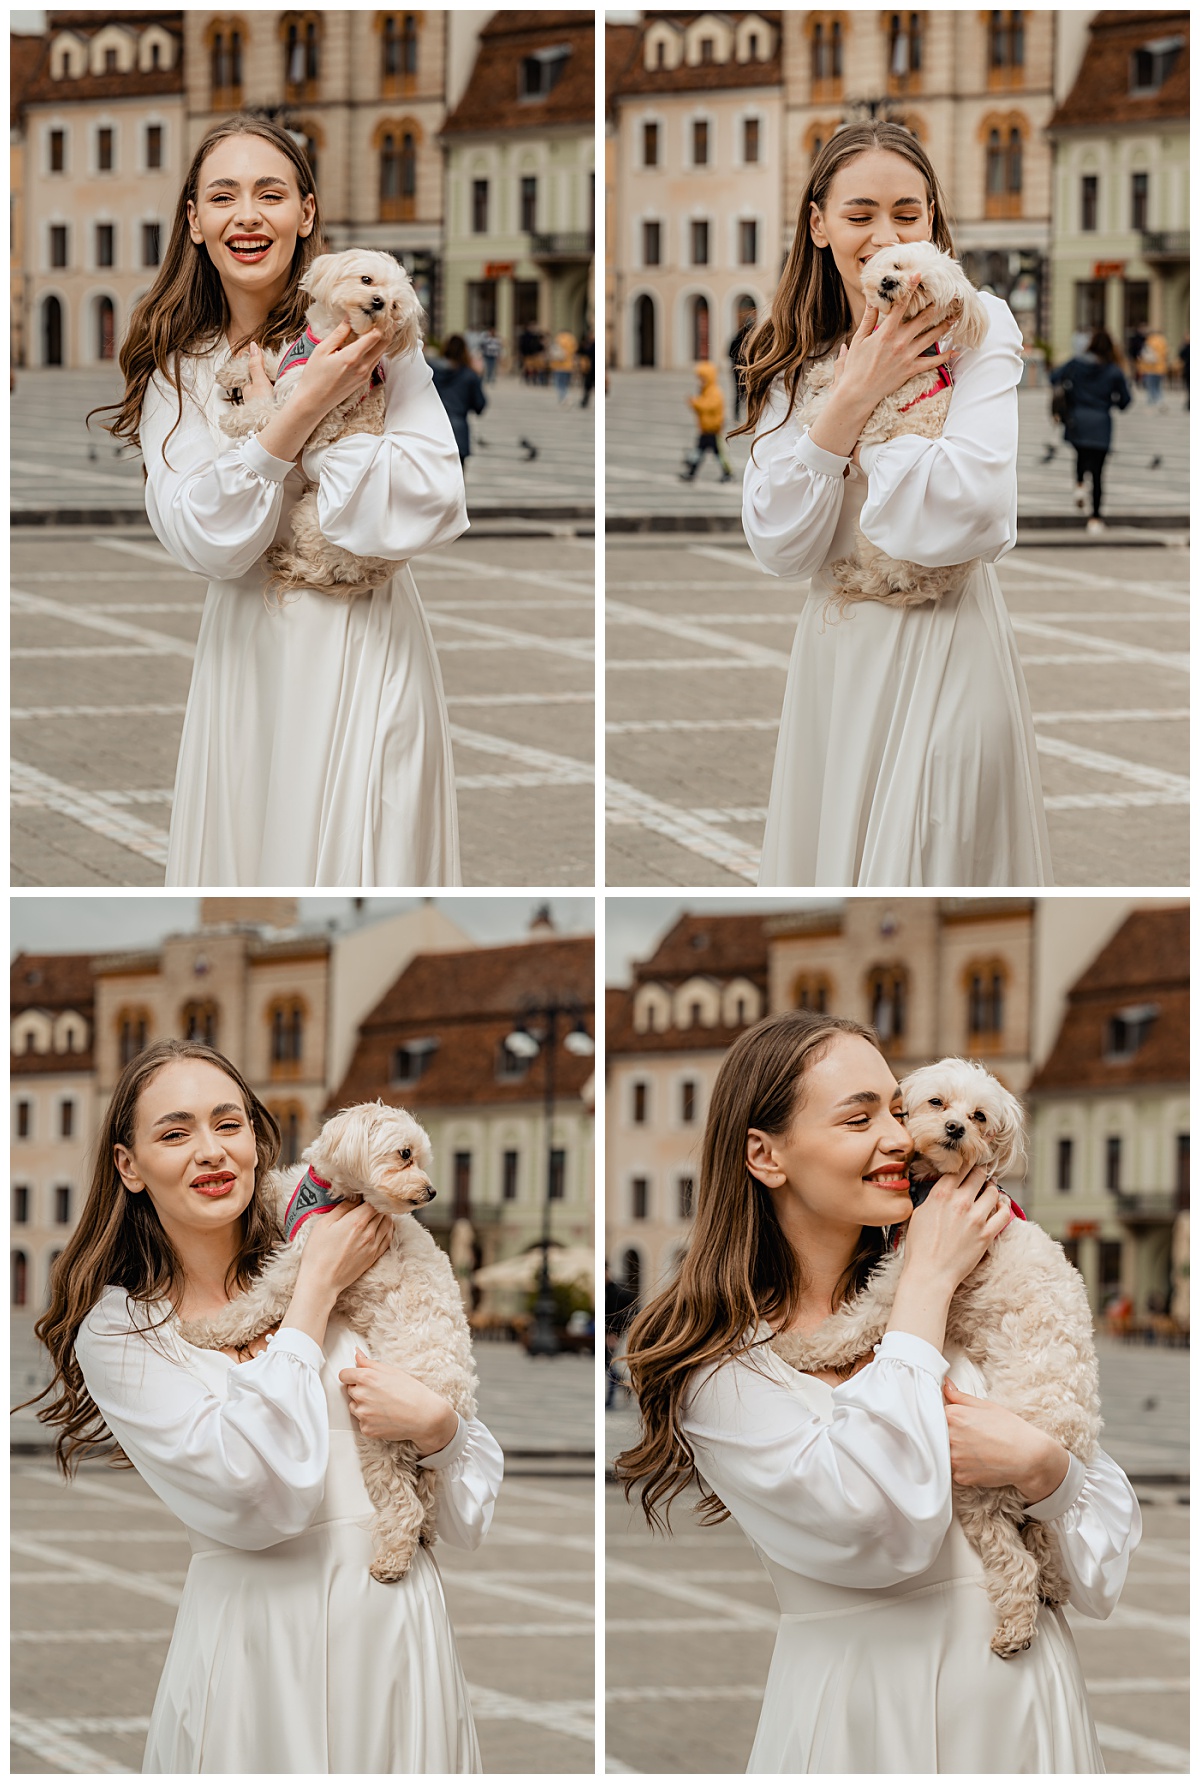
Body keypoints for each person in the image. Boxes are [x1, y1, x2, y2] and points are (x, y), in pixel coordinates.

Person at [617, 1011, 1140, 1774]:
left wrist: (1047, 1471)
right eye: (860, 1118)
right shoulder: (723, 1366)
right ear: (766, 1155)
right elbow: (884, 1531)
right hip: (867, 1720)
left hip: (1027, 1712)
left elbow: (1102, 1573)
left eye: (898, 1110)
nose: (899, 1138)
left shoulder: (978, 1296)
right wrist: (923, 1280)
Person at [28, 1039, 503, 1772]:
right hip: (257, 1652)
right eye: (175, 1133)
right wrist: (312, 1293)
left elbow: (468, 1520)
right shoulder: (123, 1331)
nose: (211, 1151)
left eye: (229, 1124)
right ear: (129, 1165)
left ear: (256, 1139)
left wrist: (441, 1430)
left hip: (395, 1635)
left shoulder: (350, 1247)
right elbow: (260, 1499)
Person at [91, 117, 464, 888]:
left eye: (271, 194)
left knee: (369, 855)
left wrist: (321, 427)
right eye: (223, 196)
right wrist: (304, 409)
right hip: (248, 657)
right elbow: (206, 539)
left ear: (306, 212)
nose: (248, 216)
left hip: (369, 639)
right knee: (254, 858)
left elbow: (431, 499)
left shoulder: (377, 337)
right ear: (194, 221)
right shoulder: (179, 372)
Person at [734, 122, 1052, 888]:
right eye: (860, 214)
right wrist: (855, 393)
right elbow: (781, 543)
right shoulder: (792, 351)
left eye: (907, 214)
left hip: (949, 643)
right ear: (818, 225)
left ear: (933, 221)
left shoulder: (979, 327)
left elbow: (969, 510)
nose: (885, 236)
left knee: (933, 859)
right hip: (836, 657)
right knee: (836, 868)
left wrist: (867, 437)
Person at [1050, 330, 1131, 535]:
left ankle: (1079, 486)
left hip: (1077, 420)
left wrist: (1071, 393)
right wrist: (1110, 401)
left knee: (1080, 455)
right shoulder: (1114, 371)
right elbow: (1125, 401)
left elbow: (1054, 377)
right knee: (1098, 472)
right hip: (1101, 423)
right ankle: (1095, 518)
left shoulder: (1076, 364)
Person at [433, 334, 488, 468]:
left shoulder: (432, 372)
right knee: (457, 478)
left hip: (434, 432)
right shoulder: (469, 375)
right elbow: (479, 405)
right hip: (458, 433)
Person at [679, 361, 734, 482]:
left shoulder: (714, 392)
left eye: (702, 378)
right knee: (699, 451)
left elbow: (708, 406)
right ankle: (691, 472)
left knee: (718, 453)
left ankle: (728, 473)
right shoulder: (705, 391)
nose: (700, 381)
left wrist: (695, 403)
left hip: (713, 429)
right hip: (705, 429)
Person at [729, 309, 756, 423]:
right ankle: (741, 414)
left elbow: (729, 353)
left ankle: (744, 415)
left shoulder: (741, 338)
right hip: (742, 370)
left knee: (743, 393)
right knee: (743, 392)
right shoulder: (742, 339)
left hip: (743, 369)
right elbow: (730, 352)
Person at [1138, 327, 1168, 403]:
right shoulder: (1163, 341)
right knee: (1157, 385)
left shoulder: (1149, 341)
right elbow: (1165, 354)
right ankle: (1159, 399)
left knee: (1151, 385)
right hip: (1160, 367)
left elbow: (1145, 354)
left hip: (1150, 367)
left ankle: (1152, 399)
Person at [550, 328, 577, 403]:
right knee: (565, 382)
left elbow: (554, 350)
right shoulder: (572, 339)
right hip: (568, 365)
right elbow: (574, 351)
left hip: (558, 364)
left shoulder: (558, 339)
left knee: (559, 382)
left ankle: (563, 396)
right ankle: (565, 395)